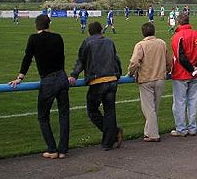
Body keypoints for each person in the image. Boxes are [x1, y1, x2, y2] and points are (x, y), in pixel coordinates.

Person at [9, 14, 70, 159]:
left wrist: (20, 78)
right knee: (64, 114)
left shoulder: (34, 39)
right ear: (49, 24)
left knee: (43, 116)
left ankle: (52, 149)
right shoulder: (58, 37)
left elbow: (27, 58)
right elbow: (62, 57)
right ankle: (62, 150)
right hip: (62, 77)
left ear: (36, 25)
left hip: (48, 80)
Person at [69, 21, 124, 151]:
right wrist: (118, 75)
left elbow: (81, 61)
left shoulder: (87, 42)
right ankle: (108, 141)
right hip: (112, 79)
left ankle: (114, 133)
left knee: (93, 111)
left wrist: (74, 75)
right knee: (110, 112)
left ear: (89, 31)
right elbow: (116, 60)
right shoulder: (109, 41)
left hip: (97, 81)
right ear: (101, 30)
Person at [128, 22, 173, 142]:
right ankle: (149, 132)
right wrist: (168, 70)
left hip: (146, 79)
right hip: (160, 78)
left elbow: (134, 62)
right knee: (154, 108)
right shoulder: (162, 43)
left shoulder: (140, 45)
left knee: (149, 109)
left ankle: (153, 134)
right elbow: (169, 61)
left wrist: (130, 73)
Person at [170, 14, 197, 136]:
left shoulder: (177, 36)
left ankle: (181, 129)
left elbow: (180, 56)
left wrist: (192, 69)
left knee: (180, 102)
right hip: (195, 75)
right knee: (193, 102)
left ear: (178, 22)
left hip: (181, 74)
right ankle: (192, 128)